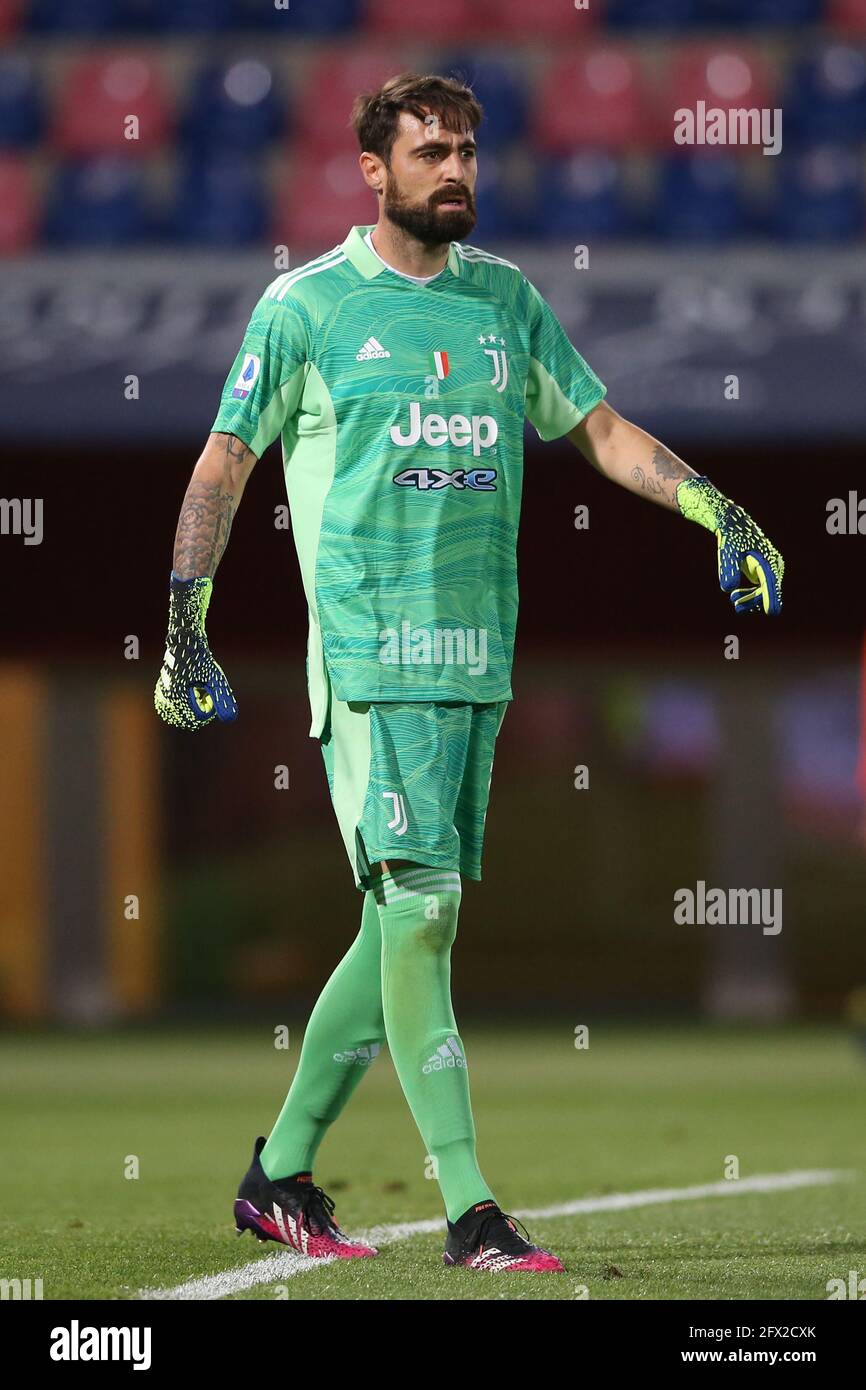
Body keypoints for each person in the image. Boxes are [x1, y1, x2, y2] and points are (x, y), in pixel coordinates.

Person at [154, 72, 784, 1274]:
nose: (456, 171)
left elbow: (597, 428)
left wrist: (718, 510)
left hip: (474, 665)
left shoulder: (506, 303)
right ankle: (470, 1208)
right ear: (374, 171)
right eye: (430, 151)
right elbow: (224, 461)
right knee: (425, 911)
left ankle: (278, 1171)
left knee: (399, 919)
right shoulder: (308, 307)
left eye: (467, 153)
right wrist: (186, 620)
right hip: (368, 656)